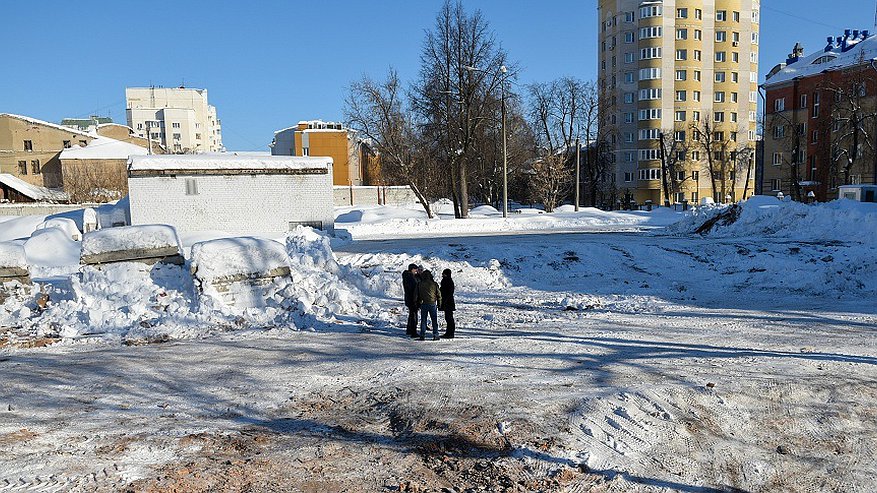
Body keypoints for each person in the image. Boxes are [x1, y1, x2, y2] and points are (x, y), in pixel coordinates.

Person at [416, 269, 442, 341]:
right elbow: (439, 295)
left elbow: (417, 295)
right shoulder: (434, 284)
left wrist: (418, 303)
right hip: (432, 304)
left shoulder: (420, 284)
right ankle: (435, 335)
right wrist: (439, 304)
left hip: (424, 303)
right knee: (434, 320)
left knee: (423, 320)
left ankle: (422, 335)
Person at [401, 263, 420, 338]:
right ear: (412, 269)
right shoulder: (410, 277)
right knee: (413, 315)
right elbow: (414, 288)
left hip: (409, 298)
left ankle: (409, 330)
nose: (416, 271)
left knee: (411, 314)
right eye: (415, 269)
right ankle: (413, 331)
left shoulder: (408, 276)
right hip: (412, 299)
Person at [439, 269, 456, 339]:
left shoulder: (447, 281)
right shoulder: (446, 280)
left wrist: (444, 300)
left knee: (449, 318)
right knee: (448, 317)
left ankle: (450, 333)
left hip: (448, 302)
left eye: (444, 273)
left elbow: (449, 292)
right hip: (448, 302)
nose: (442, 274)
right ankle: (449, 332)